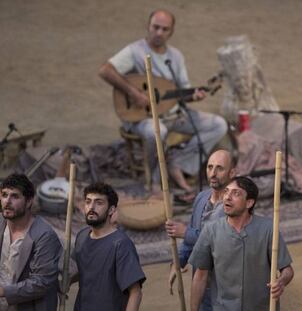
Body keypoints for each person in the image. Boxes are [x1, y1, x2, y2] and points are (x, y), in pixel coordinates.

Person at [98, 9, 228, 202]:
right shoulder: (135, 51)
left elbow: (182, 93)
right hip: (142, 117)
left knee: (218, 124)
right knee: (156, 132)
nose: (159, 32)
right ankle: (154, 182)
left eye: (164, 29)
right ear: (148, 26)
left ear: (171, 32)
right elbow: (105, 71)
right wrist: (134, 93)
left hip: (174, 114)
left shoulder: (175, 56)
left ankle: (178, 163)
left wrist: (195, 96)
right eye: (155, 27)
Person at [189, 176, 294, 311]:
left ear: (249, 202)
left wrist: (281, 281)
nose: (227, 197)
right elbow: (200, 276)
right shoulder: (211, 230)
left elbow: (287, 270)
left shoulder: (268, 229)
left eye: (236, 193)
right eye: (226, 192)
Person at [165, 149, 236, 310]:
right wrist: (178, 261)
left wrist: (185, 233)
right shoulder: (201, 197)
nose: (213, 173)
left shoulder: (234, 204)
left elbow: (223, 240)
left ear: (232, 172)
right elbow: (191, 234)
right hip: (202, 282)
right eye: (210, 167)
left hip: (227, 285)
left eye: (220, 168)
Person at [72, 182, 146, 311]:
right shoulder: (82, 237)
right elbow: (83, 271)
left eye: (99, 203)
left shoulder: (121, 244)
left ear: (111, 210)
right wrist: (64, 283)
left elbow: (136, 293)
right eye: (88, 202)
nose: (91, 207)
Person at [0, 173, 62, 311]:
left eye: (14, 196)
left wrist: (3, 291)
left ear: (29, 201)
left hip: (27, 307)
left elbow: (41, 283)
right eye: (4, 195)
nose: (7, 201)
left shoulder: (44, 236)